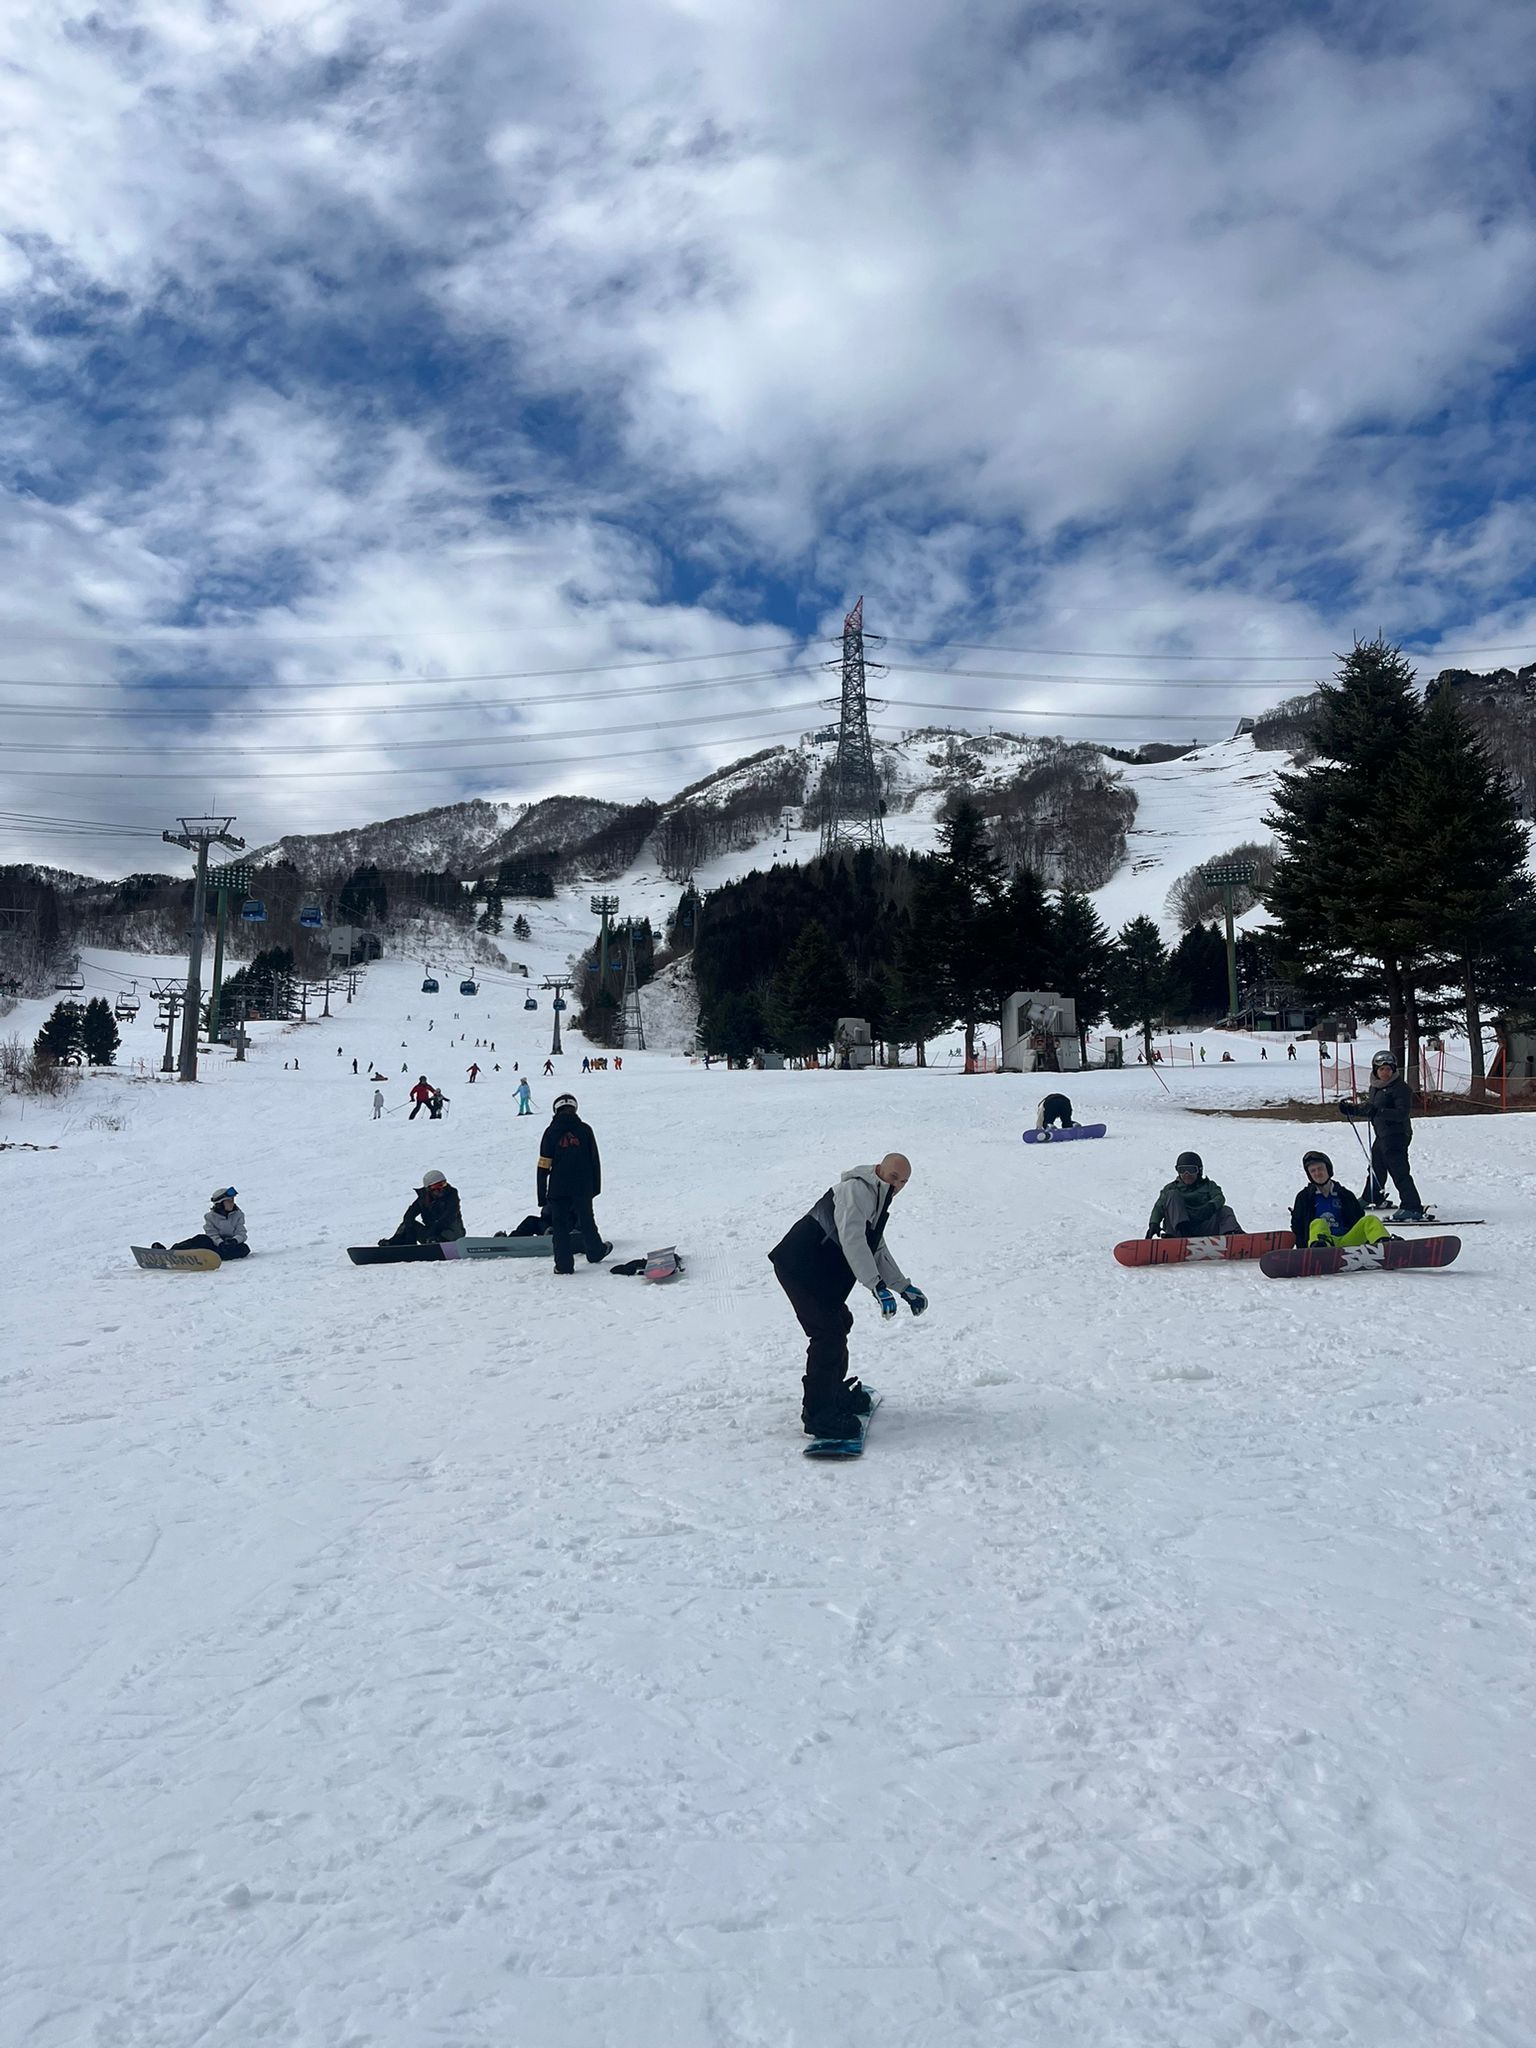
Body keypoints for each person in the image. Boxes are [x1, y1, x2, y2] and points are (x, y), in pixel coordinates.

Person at [769, 1154, 927, 1438]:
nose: (897, 1186)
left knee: (840, 1323)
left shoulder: (877, 1198)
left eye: (903, 1181)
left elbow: (875, 1247)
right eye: (893, 1177)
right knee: (827, 1333)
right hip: (798, 1266)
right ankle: (818, 1414)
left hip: (815, 1270)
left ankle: (832, 1394)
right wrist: (876, 1287)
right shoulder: (856, 1191)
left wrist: (902, 1286)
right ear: (880, 1169)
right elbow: (853, 1241)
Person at [1340, 1051, 1424, 1220]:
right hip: (1383, 1134)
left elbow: (1401, 1113)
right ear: (1375, 1070)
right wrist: (1352, 1110)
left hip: (1397, 1135)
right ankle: (1372, 1197)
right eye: (1381, 1069)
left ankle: (1412, 1206)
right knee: (1376, 1166)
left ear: (1393, 1070)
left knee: (1398, 1170)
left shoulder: (1400, 1088)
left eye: (1388, 1069)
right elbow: (1371, 1109)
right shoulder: (1376, 1087)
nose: (1385, 1073)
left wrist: (1378, 1111)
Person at [536, 1093, 611, 1273]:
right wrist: (595, 1188)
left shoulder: (550, 1132)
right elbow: (594, 1161)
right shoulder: (585, 1130)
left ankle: (564, 1265)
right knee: (586, 1220)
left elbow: (543, 1165)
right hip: (582, 1186)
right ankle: (595, 1252)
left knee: (560, 1226)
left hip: (558, 1188)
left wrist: (541, 1196)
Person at [1289, 1150, 1389, 1249]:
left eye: (1320, 1168)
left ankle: (1385, 1246)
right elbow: (1297, 1227)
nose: (1317, 1173)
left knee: (1370, 1220)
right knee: (1318, 1223)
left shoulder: (1345, 1195)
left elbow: (1358, 1218)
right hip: (1324, 1245)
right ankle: (1318, 1250)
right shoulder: (1304, 1197)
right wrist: (1302, 1250)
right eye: (1313, 1171)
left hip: (1347, 1242)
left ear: (1328, 1169)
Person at [1146, 1152, 1242, 1238]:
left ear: (1199, 1170)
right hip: (1178, 1231)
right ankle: (1180, 1234)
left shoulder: (1209, 1186)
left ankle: (1233, 1236)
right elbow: (1159, 1207)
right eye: (1182, 1170)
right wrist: (1154, 1223)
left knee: (1225, 1210)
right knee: (1172, 1195)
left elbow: (1219, 1197)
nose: (1187, 1174)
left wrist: (1210, 1206)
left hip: (1204, 1226)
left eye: (1191, 1170)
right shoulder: (1171, 1188)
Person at [155, 1185, 251, 1261]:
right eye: (229, 1201)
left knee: (244, 1249)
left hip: (230, 1246)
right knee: (201, 1239)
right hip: (215, 1244)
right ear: (220, 1203)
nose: (232, 1203)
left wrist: (234, 1241)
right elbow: (211, 1234)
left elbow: (241, 1232)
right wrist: (220, 1243)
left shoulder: (238, 1214)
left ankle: (209, 1256)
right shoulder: (210, 1217)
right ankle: (171, 1252)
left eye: (233, 1200)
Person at [381, 1169, 465, 1246]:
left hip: (450, 1236)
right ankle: (396, 1244)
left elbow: (449, 1215)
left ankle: (438, 1243)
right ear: (429, 1189)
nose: (441, 1189)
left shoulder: (451, 1195)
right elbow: (410, 1214)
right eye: (437, 1187)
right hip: (431, 1236)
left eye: (443, 1184)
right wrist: (409, 1233)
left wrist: (433, 1232)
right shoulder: (423, 1198)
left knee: (449, 1226)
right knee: (407, 1223)